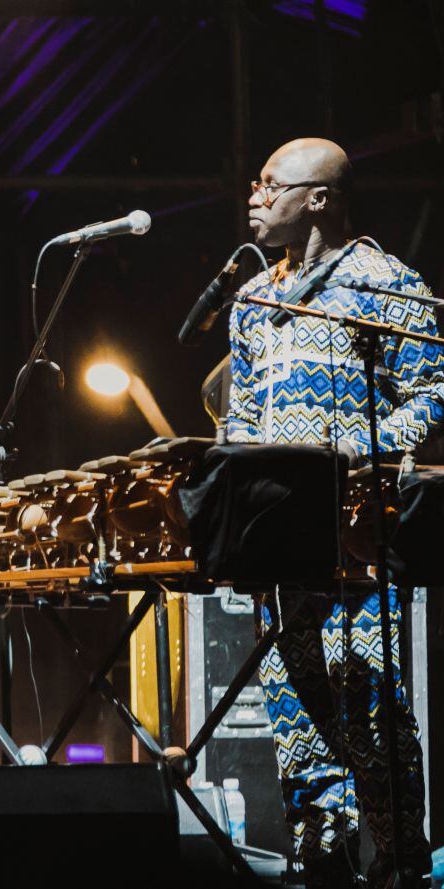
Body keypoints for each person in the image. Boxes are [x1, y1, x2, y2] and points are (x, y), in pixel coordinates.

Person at [226, 137, 444, 887]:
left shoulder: (385, 283)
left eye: (269, 183)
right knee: (296, 719)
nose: (253, 195)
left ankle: (403, 864)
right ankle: (321, 860)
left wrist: (362, 450)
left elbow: (434, 393)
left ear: (318, 198)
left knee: (372, 710)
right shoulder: (252, 302)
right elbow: (239, 424)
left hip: (359, 543)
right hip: (284, 551)